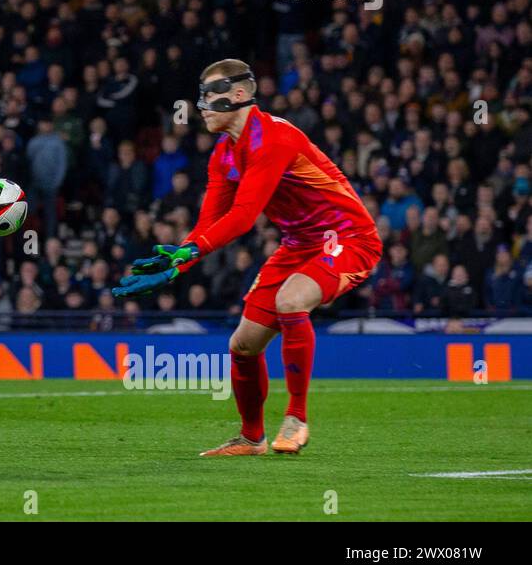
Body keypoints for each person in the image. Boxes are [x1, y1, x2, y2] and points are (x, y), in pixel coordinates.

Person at [113, 59, 382, 457]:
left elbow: (242, 217)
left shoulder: (274, 138)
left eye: (208, 95)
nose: (201, 105)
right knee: (243, 345)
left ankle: (296, 418)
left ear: (239, 94)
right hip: (297, 245)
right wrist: (176, 265)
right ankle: (251, 438)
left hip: (347, 238)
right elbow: (210, 223)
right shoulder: (223, 154)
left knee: (290, 301)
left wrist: (190, 252)